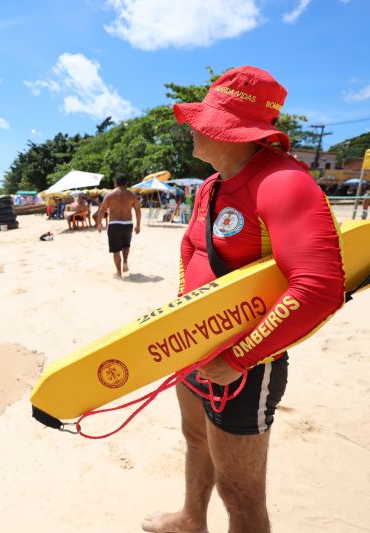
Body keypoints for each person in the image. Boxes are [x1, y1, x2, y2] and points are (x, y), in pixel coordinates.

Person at [141, 66, 345, 533]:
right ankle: (192, 518)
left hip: (247, 361)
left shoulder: (282, 181)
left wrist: (241, 356)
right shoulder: (211, 187)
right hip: (194, 345)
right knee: (195, 439)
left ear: (233, 133)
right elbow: (191, 246)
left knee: (242, 495)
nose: (192, 127)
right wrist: (183, 319)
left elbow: (318, 287)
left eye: (205, 119)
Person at [96, 174, 141, 278]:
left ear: (115, 182)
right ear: (126, 183)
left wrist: (99, 223)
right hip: (128, 224)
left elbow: (102, 211)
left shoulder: (110, 195)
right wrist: (138, 225)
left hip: (114, 224)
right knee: (126, 245)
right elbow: (138, 210)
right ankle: (125, 261)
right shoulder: (132, 195)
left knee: (116, 250)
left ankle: (119, 273)